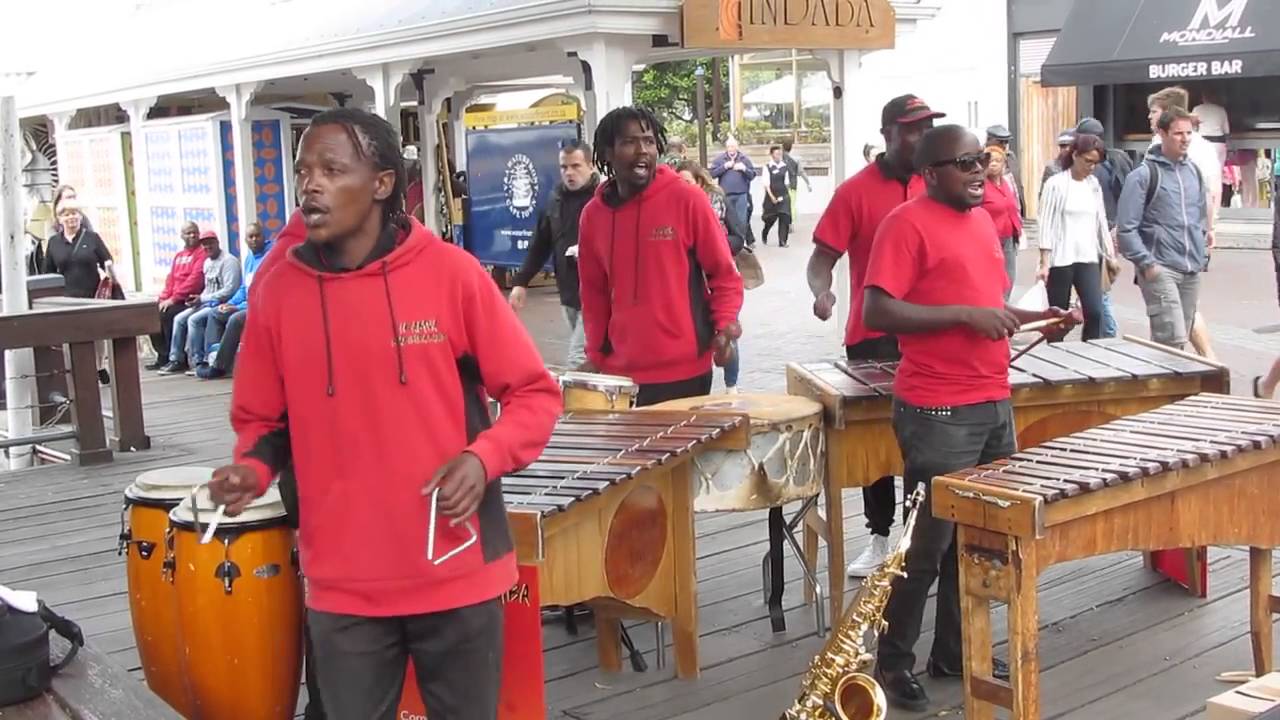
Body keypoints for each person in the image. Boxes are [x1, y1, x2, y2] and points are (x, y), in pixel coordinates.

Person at [208, 107, 561, 720]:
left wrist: (483, 459)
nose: (310, 185)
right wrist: (251, 471)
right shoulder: (277, 293)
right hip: (344, 585)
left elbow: (534, 393)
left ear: (381, 182)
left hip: (456, 567)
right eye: (303, 171)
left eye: (331, 169)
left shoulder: (451, 274)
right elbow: (264, 422)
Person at [863, 124, 1076, 711]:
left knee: (979, 539)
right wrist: (963, 316)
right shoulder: (904, 224)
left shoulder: (983, 221)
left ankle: (955, 651)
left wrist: (1036, 319)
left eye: (980, 158)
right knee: (925, 547)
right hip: (937, 410)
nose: (978, 169)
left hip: (992, 401)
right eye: (963, 163)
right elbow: (877, 309)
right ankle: (892, 662)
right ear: (930, 174)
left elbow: (985, 307)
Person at [806, 93, 938, 577]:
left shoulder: (939, 183)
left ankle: (923, 538)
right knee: (875, 445)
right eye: (912, 129)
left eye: (927, 128)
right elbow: (822, 258)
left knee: (929, 440)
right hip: (873, 335)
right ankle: (880, 537)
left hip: (933, 333)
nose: (922, 137)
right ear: (887, 134)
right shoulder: (854, 191)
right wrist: (821, 292)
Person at [577, 106, 744, 406]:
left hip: (686, 371)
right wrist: (596, 356)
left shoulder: (687, 199)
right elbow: (593, 293)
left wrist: (723, 326)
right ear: (608, 153)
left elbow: (724, 275)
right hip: (620, 375)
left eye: (649, 141)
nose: (643, 150)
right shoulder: (593, 216)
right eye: (629, 142)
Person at [1116, 107, 1209, 351]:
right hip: (1160, 267)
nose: (1185, 139)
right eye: (1178, 133)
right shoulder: (1143, 175)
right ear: (1162, 133)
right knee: (1171, 339)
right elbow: (1126, 229)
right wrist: (1148, 264)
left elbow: (1199, 217)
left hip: (1191, 269)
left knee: (1181, 338)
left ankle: (1165, 376)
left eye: (1189, 133)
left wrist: (1202, 253)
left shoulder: (1193, 171)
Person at [508, 139, 599, 369]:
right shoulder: (555, 199)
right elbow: (541, 244)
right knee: (594, 358)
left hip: (598, 295)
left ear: (590, 166)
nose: (569, 173)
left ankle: (577, 395)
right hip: (568, 292)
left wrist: (588, 252)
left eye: (576, 166)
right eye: (564, 167)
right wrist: (521, 282)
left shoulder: (603, 200)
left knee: (577, 359)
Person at [1146, 86, 1221, 360]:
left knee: (1171, 310)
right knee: (1179, 307)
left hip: (1168, 242)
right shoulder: (1205, 146)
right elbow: (1214, 192)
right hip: (1194, 237)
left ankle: (1197, 361)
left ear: (1168, 114)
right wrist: (1210, 228)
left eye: (1154, 111)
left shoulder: (1160, 148)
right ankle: (1205, 360)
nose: (1150, 117)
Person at [677, 160, 754, 394]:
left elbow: (738, 237)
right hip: (694, 284)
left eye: (687, 181)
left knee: (726, 333)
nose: (683, 187)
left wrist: (713, 245)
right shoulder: (675, 208)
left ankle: (731, 384)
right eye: (679, 182)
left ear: (699, 181)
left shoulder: (719, 199)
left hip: (719, 277)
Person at [1035, 133, 1112, 341]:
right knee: (1058, 316)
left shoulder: (1093, 184)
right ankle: (1055, 351)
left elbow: (1100, 218)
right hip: (1061, 258)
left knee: (1095, 312)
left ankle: (1090, 350)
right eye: (1088, 161)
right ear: (1075, 155)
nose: (1091, 167)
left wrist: (1109, 250)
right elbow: (1046, 222)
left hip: (1088, 256)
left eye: (1095, 163)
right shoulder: (1056, 184)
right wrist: (1044, 262)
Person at [43, 198, 121, 385]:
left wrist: (111, 276)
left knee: (97, 334)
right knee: (71, 335)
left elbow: (107, 261)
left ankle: (99, 366)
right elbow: (48, 271)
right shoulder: (54, 242)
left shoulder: (92, 238)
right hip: (67, 297)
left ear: (80, 216)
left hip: (92, 294)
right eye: (66, 214)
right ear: (59, 219)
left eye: (75, 213)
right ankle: (76, 370)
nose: (71, 217)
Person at [1075, 117, 1134, 339]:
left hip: (1095, 233)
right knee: (1099, 285)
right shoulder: (1116, 159)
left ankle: (1107, 332)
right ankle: (1099, 331)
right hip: (1111, 228)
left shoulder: (1091, 167)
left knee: (1098, 288)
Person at [158, 230, 241, 375]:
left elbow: (230, 290)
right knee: (179, 319)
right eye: (204, 244)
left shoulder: (229, 261)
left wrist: (203, 299)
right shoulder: (207, 262)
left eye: (211, 243)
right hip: (206, 302)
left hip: (222, 303)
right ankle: (176, 359)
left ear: (217, 243)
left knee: (194, 320)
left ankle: (198, 362)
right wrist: (197, 299)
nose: (208, 247)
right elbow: (208, 288)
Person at [196, 222, 272, 380]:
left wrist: (238, 308)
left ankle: (219, 366)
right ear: (245, 240)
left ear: (264, 237)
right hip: (246, 304)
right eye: (250, 237)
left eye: (257, 236)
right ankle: (210, 359)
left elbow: (263, 293)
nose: (254, 240)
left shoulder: (270, 257)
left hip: (263, 307)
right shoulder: (249, 258)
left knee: (235, 319)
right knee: (215, 313)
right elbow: (245, 288)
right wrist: (231, 303)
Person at [147, 221, 207, 370]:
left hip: (189, 299)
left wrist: (173, 299)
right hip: (174, 298)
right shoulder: (179, 256)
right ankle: (162, 355)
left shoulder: (201, 254)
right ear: (181, 236)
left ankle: (175, 358)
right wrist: (163, 298)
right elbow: (171, 280)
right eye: (188, 233)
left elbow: (195, 281)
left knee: (167, 314)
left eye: (195, 232)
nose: (192, 235)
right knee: (151, 314)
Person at [980, 145, 1022, 297]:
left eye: (998, 161)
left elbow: (1014, 206)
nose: (993, 164)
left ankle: (1005, 305)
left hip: (1009, 236)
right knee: (992, 278)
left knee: (1009, 277)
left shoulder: (1006, 183)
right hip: (990, 239)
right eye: (990, 161)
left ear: (1004, 163)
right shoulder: (981, 185)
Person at [709, 137, 757, 246]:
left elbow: (752, 175)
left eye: (733, 146)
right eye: (729, 147)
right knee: (728, 219)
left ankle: (742, 243)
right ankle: (729, 242)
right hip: (725, 195)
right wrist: (724, 167)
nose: (731, 149)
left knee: (742, 219)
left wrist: (744, 169)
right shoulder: (720, 159)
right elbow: (711, 174)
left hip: (741, 195)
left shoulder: (744, 159)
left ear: (737, 147)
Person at [984, 125, 1025, 216]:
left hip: (1014, 210)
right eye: (1000, 142)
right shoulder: (981, 158)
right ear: (988, 140)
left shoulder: (1010, 156)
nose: (1004, 145)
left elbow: (1017, 184)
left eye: (1006, 142)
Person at [761, 145, 792, 247]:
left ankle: (782, 241)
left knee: (784, 217)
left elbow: (787, 182)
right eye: (777, 154)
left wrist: (787, 195)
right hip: (772, 196)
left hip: (783, 195)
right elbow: (766, 184)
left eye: (780, 154)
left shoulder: (785, 166)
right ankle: (765, 232)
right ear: (772, 155)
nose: (779, 155)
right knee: (770, 218)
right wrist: (772, 197)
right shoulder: (767, 167)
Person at [781, 138, 812, 218]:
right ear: (791, 147)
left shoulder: (779, 158)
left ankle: (784, 220)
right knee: (792, 204)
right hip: (792, 185)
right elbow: (801, 172)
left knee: (782, 205)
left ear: (782, 147)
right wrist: (808, 183)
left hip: (781, 186)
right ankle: (791, 221)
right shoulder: (796, 159)